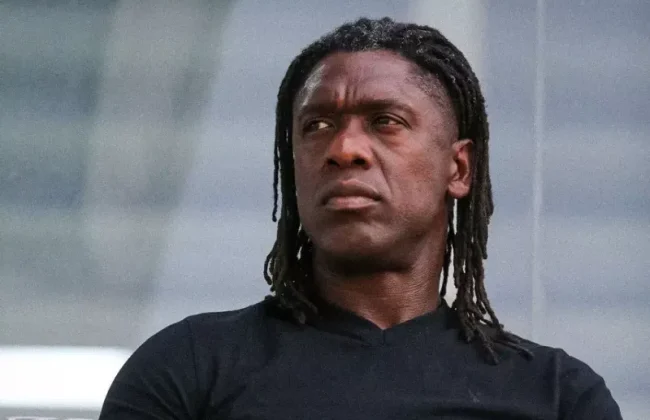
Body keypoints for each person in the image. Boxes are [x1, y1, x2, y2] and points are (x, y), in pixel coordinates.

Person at [99, 17, 622, 419]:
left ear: (458, 168)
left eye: (385, 121)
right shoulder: (187, 371)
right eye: (318, 125)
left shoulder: (558, 397)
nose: (344, 148)